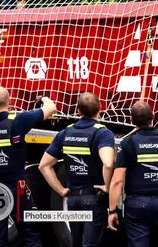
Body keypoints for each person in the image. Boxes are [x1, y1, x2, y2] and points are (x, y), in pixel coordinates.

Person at [0, 87, 57, 247]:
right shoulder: (17, 120)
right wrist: (43, 98)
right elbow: (51, 108)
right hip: (17, 188)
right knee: (29, 234)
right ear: (9, 101)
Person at [108, 101, 158, 247]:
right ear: (153, 116)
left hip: (136, 206)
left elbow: (117, 181)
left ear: (131, 120)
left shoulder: (127, 143)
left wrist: (112, 210)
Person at [39, 92, 115, 247]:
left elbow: (44, 165)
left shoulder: (65, 132)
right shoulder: (102, 133)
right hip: (93, 198)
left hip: (73, 200)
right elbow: (108, 163)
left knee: (76, 243)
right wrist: (107, 187)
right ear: (100, 108)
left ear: (78, 111)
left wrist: (60, 190)